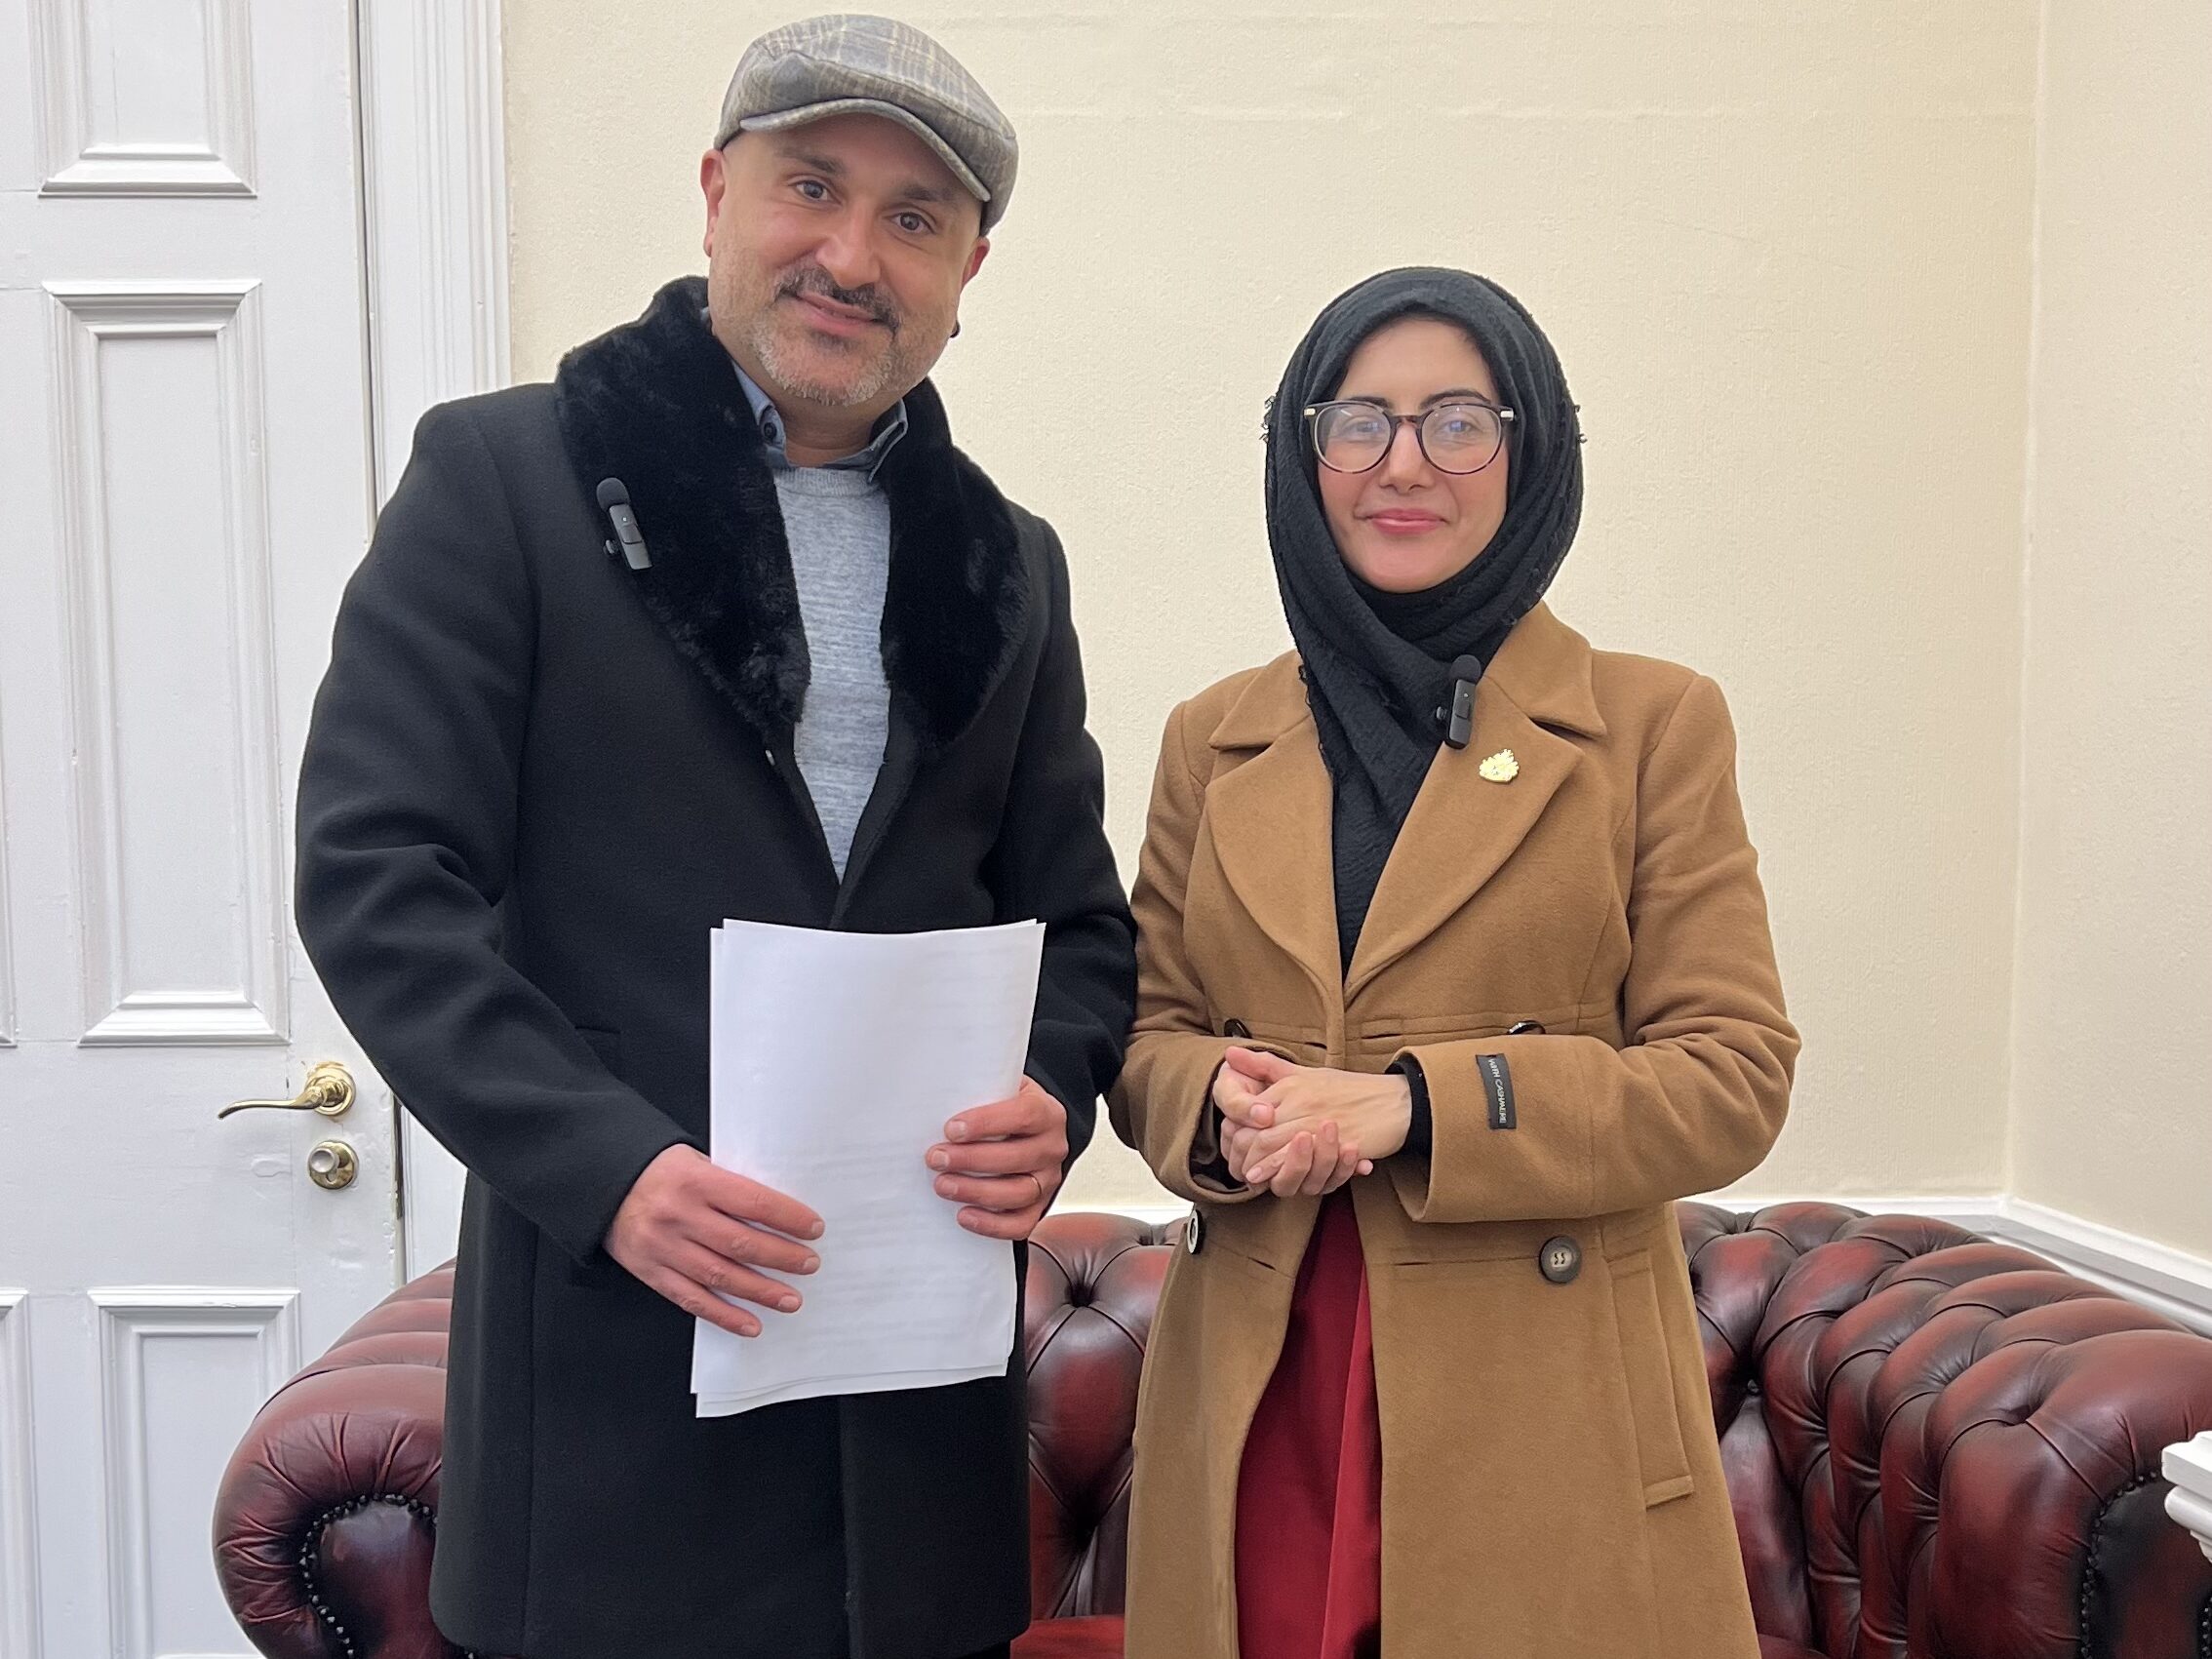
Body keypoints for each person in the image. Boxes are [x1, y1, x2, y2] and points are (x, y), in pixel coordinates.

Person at [295, 16, 1134, 1659]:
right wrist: (609, 1169)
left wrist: (1055, 1092)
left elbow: (1080, 927)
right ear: (714, 192)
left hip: (912, 1472)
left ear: (972, 265)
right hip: (609, 1446)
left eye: (914, 218)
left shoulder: (1011, 567)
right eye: (809, 186)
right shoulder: (505, 480)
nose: (851, 254)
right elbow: (380, 879)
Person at [1109, 267, 1798, 1658]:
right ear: (1303, 458)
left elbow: (1733, 1075)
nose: (1403, 463)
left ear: (1531, 447)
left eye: (1458, 421)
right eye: (1357, 421)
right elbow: (1146, 1030)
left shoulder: (1652, 723)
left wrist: (1419, 1103)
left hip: (1541, 1410)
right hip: (1263, 1373)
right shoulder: (1214, 734)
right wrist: (1222, 1106)